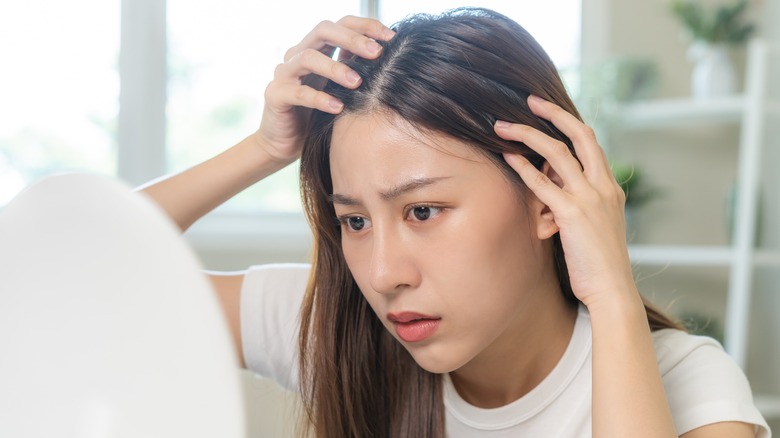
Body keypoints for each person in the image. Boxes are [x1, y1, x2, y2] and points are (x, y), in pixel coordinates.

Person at [142, 7, 770, 437]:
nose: (385, 275)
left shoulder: (687, 384)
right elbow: (65, 277)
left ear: (548, 195)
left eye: (422, 211)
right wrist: (262, 151)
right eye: (355, 221)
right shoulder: (335, 329)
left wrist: (611, 294)